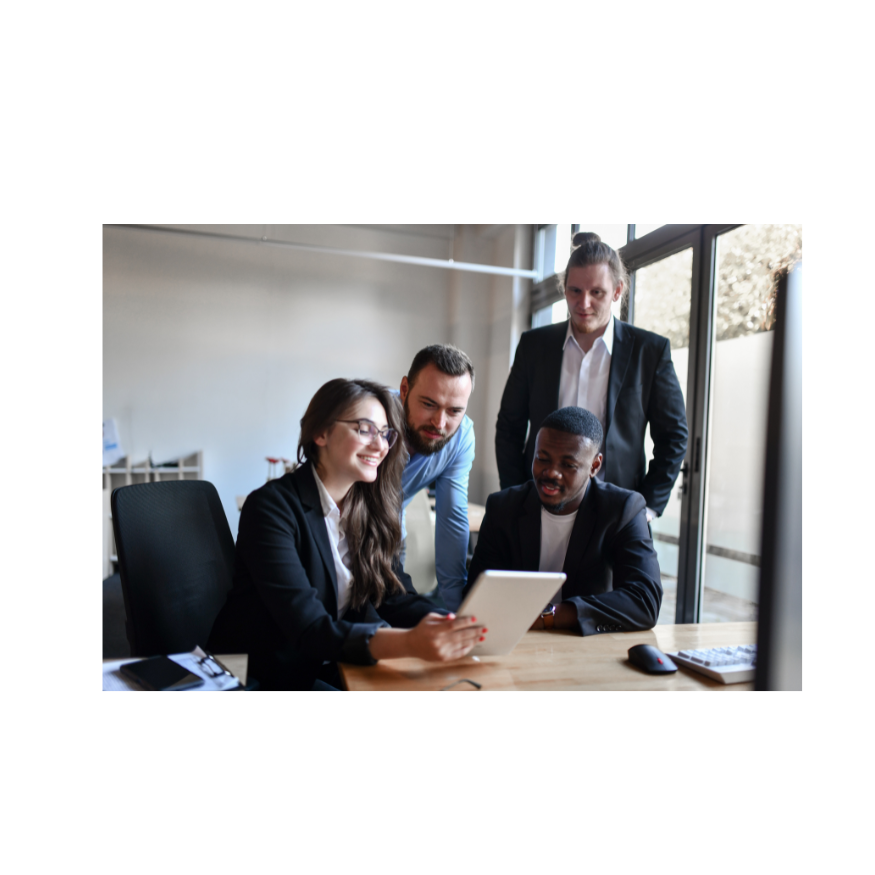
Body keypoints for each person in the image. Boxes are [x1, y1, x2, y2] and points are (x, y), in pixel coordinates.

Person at [208, 379, 488, 692]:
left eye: (385, 433)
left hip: (328, 660)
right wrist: (410, 642)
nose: (381, 446)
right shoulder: (271, 509)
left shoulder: (369, 508)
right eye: (365, 429)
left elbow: (394, 596)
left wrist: (454, 626)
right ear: (321, 433)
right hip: (263, 673)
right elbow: (309, 629)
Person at [495, 231, 688, 522]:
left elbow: (673, 436)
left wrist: (646, 508)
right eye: (575, 291)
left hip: (617, 513)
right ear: (564, 289)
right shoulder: (534, 346)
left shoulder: (650, 351)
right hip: (540, 505)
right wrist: (516, 495)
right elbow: (509, 427)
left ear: (617, 291)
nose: (583, 303)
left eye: (596, 292)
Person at [467, 407, 662, 636]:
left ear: (594, 466)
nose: (551, 473)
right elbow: (475, 596)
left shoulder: (622, 510)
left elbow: (644, 600)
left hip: (583, 644)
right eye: (542, 459)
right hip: (515, 641)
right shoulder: (503, 508)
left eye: (568, 465)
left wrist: (549, 617)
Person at [398, 345, 476, 611]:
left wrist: (456, 612)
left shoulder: (461, 437)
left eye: (454, 411)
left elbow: (451, 517)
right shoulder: (373, 419)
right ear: (405, 390)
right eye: (429, 404)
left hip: (387, 533)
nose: (439, 423)